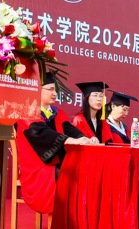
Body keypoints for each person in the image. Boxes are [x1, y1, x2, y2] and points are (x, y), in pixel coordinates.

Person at [15, 72, 90, 215]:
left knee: (86, 169)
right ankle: (68, 218)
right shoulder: (26, 112)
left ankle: (79, 217)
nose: (55, 93)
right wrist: (71, 140)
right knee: (71, 174)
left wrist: (85, 138)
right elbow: (42, 133)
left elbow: (69, 129)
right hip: (38, 168)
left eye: (55, 90)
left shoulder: (58, 113)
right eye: (50, 89)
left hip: (57, 162)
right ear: (37, 90)